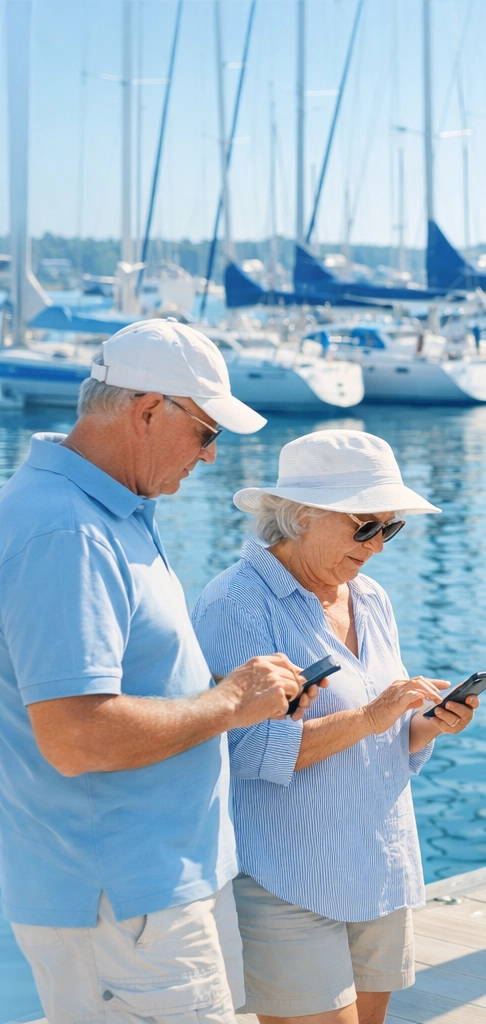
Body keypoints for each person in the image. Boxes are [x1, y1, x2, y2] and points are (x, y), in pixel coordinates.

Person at [0, 320, 311, 1022]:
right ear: (146, 411)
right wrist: (231, 703)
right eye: (207, 435)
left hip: (143, 892)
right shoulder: (67, 531)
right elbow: (77, 736)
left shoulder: (102, 511)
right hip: (123, 901)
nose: (209, 459)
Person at [191, 430, 477, 1023]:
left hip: (379, 866)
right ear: (300, 517)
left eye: (388, 529)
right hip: (286, 878)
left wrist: (425, 725)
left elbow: (385, 738)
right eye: (364, 527)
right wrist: (372, 715)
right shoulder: (236, 602)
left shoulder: (369, 597)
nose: (377, 545)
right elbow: (240, 750)